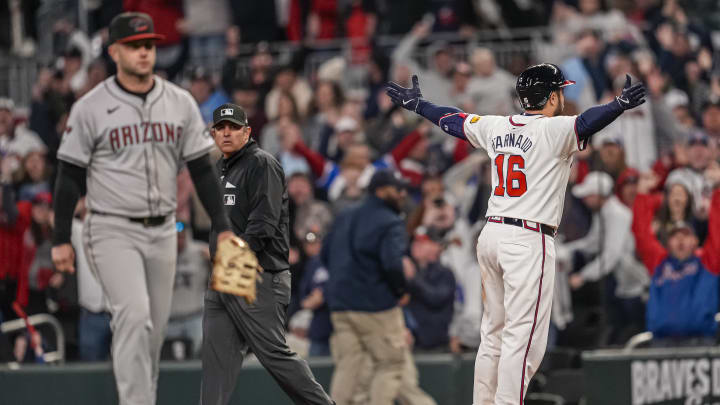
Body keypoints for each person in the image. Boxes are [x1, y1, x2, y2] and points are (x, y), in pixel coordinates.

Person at [386, 64, 646, 404]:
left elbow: (453, 120)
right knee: (522, 338)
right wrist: (618, 105)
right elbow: (587, 122)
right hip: (527, 239)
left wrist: (421, 106)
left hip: (492, 234)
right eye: (560, 92)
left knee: (493, 333)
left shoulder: (498, 125)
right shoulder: (553, 129)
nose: (563, 98)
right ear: (552, 96)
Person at [50, 12, 233, 405]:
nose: (144, 52)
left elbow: (202, 169)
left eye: (148, 45)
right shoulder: (90, 107)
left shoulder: (179, 101)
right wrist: (61, 238)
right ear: (115, 51)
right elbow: (68, 176)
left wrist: (222, 224)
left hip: (164, 230)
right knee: (133, 316)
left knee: (152, 332)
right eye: (135, 46)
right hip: (112, 228)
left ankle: (143, 397)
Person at [200, 103, 333, 405]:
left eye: (234, 127)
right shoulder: (219, 169)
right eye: (221, 128)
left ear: (247, 132)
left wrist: (235, 264)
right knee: (215, 367)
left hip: (258, 274)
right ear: (213, 134)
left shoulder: (262, 164)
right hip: (224, 275)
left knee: (274, 355)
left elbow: (263, 223)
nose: (227, 133)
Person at [322, 169, 433, 405]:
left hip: (341, 305)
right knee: (391, 364)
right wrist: (400, 290)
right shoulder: (390, 220)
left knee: (348, 366)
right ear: (381, 191)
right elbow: (393, 265)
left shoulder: (344, 214)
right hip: (376, 306)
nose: (402, 194)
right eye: (397, 189)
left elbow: (324, 255)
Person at [558, 171, 649, 344]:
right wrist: (564, 249)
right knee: (615, 326)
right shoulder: (603, 213)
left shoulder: (617, 214)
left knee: (631, 329)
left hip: (634, 285)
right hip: (618, 281)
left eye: (588, 195)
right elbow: (592, 242)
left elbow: (611, 255)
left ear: (598, 195)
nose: (585, 200)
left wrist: (583, 276)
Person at [632, 177, 720, 345]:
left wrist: (717, 190)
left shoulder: (708, 262)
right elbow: (642, 235)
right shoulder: (659, 262)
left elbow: (717, 230)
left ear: (695, 241)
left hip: (700, 341)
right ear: (668, 243)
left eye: (686, 235)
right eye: (675, 236)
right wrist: (642, 196)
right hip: (662, 342)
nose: (680, 240)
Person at [166, 221, 210, 357]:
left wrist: (214, 260)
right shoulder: (159, 254)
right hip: (169, 320)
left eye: (181, 237)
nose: (178, 241)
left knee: (201, 356)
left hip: (195, 317)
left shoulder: (200, 251)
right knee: (166, 359)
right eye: (175, 237)